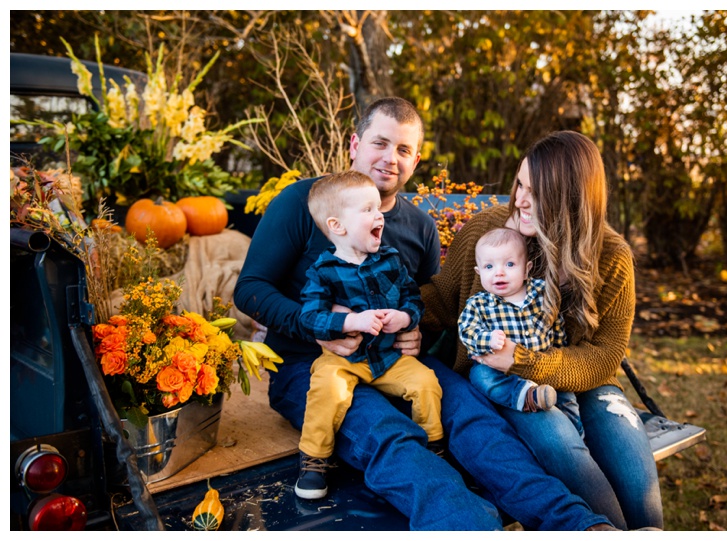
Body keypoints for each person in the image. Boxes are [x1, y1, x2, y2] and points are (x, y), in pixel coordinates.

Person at [235, 97, 614, 530]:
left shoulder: (419, 226)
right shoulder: (306, 202)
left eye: (403, 150)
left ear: (416, 159)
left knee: (474, 419)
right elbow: (250, 289)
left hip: (397, 361)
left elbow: (428, 305)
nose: (389, 159)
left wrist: (415, 329)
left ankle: (577, 524)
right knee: (389, 435)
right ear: (355, 143)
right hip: (311, 366)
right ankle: (470, 526)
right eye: (380, 143)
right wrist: (317, 325)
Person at [420, 130, 663, 530]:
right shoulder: (489, 232)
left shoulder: (611, 255)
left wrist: (526, 359)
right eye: (520, 185)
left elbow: (605, 356)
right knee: (559, 442)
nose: (519, 199)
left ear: (572, 197)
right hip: (510, 385)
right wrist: (385, 314)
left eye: (536, 191)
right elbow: (440, 301)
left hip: (587, 384)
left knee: (640, 491)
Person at [294, 170, 443, 500]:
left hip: (389, 358)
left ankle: (435, 445)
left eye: (378, 209)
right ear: (338, 227)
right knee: (325, 389)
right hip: (344, 360)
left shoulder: (390, 260)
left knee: (426, 383)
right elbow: (310, 317)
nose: (379, 216)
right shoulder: (323, 271)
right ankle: (314, 458)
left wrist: (404, 316)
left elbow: (412, 297)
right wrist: (351, 322)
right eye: (367, 210)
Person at [458, 227, 562, 413]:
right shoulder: (479, 304)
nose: (499, 273)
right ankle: (524, 397)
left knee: (566, 397)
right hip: (501, 373)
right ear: (479, 272)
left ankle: (576, 427)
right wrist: (487, 339)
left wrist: (560, 349)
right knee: (480, 376)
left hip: (543, 366)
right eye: (489, 267)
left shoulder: (542, 293)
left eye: (510, 264)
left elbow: (556, 322)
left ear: (526, 269)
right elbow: (466, 330)